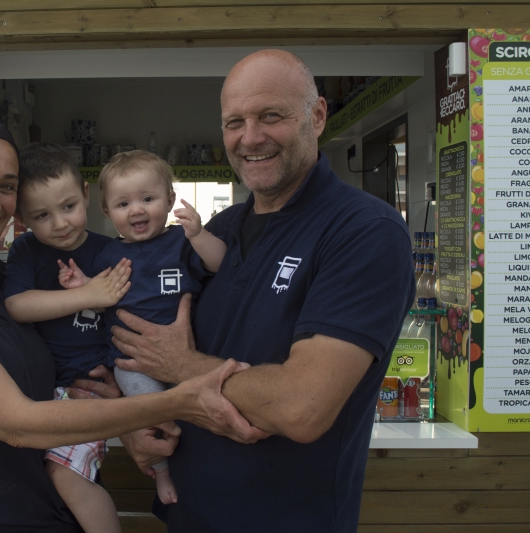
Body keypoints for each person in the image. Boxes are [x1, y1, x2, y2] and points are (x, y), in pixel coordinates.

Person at [0, 112, 264, 533]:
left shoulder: (6, 281)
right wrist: (180, 399)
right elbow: (17, 423)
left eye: (5, 187)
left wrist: (118, 403)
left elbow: (65, 378)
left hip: (69, 515)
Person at [102, 50, 415, 531]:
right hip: (188, 513)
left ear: (316, 115)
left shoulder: (364, 231)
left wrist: (182, 365)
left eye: (271, 116)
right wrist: (133, 420)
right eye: (235, 122)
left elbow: (302, 407)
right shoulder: (217, 232)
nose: (251, 137)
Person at [80, 150, 226, 503]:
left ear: (171, 200)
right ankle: (161, 473)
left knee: (207, 407)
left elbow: (221, 263)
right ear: (107, 211)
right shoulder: (108, 256)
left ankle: (208, 473)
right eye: (123, 203)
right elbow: (96, 299)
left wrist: (199, 234)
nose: (137, 210)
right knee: (152, 417)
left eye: (148, 198)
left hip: (187, 355)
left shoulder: (181, 241)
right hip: (131, 363)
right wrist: (78, 286)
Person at [2, 142, 125, 533]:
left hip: (91, 387)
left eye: (68, 206)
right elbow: (17, 306)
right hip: (43, 394)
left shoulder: (113, 253)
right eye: (41, 215)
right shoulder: (25, 251)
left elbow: (134, 315)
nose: (59, 223)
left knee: (65, 475)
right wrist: (89, 295)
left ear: (87, 195)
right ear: (22, 218)